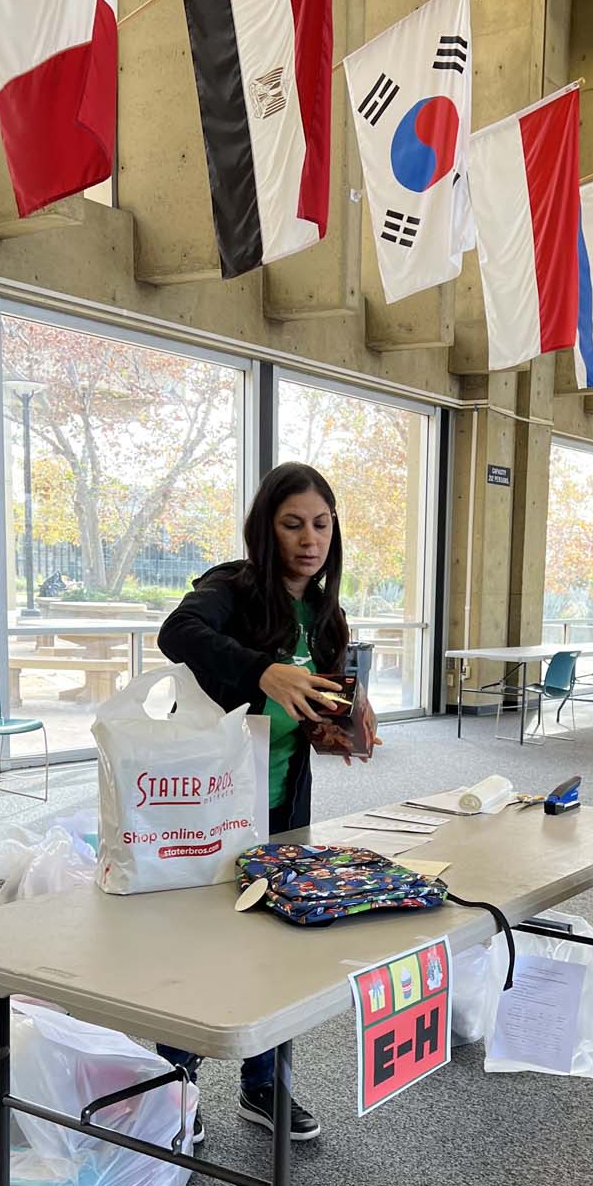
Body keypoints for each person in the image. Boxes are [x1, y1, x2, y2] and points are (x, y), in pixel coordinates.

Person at [154, 461, 380, 1145]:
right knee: (201, 937)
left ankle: (264, 1083)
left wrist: (343, 721)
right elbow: (177, 633)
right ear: (266, 529)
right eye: (292, 525)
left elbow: (319, 702)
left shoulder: (327, 612)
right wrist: (263, 670)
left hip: (282, 797)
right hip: (215, 796)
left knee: (278, 937)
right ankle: (175, 1083)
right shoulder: (233, 588)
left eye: (321, 524)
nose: (309, 540)